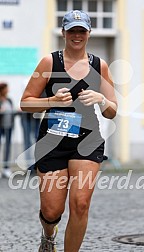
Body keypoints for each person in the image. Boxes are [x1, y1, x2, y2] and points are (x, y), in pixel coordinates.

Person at [20, 10, 117, 252]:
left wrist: (102, 100)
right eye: (72, 30)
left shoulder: (99, 65)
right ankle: (48, 234)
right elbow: (26, 102)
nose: (77, 35)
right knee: (52, 211)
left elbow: (112, 110)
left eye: (81, 30)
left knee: (81, 204)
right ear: (63, 32)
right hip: (52, 142)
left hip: (87, 140)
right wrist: (51, 101)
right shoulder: (49, 62)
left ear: (88, 33)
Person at [0, 82, 14, 178]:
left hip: (9, 126)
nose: (8, 90)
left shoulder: (9, 100)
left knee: (7, 147)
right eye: (7, 88)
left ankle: (6, 167)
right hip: (1, 126)